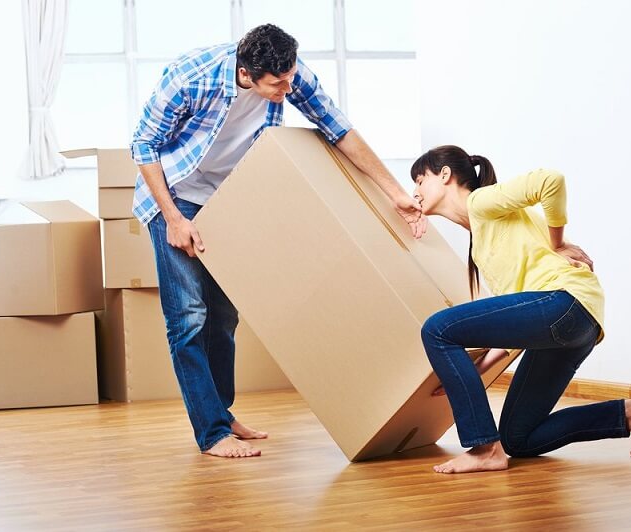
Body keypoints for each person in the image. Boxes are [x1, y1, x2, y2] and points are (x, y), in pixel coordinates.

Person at [129, 24, 424, 459]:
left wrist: (395, 193)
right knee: (189, 317)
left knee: (225, 317)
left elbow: (338, 128)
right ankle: (211, 433)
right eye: (277, 84)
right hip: (174, 195)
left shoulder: (288, 72)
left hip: (228, 197)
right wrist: (173, 218)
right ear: (246, 75)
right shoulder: (190, 78)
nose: (288, 89)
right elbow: (143, 145)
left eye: (290, 79)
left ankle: (222, 414)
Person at [410, 145, 631, 474]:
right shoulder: (482, 242)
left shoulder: (481, 202)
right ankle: (627, 413)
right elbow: (516, 323)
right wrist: (474, 368)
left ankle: (483, 448)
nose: (415, 191)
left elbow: (550, 181)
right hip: (572, 323)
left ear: (444, 175)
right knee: (520, 438)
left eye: (420, 179)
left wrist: (558, 242)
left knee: (436, 330)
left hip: (564, 303)